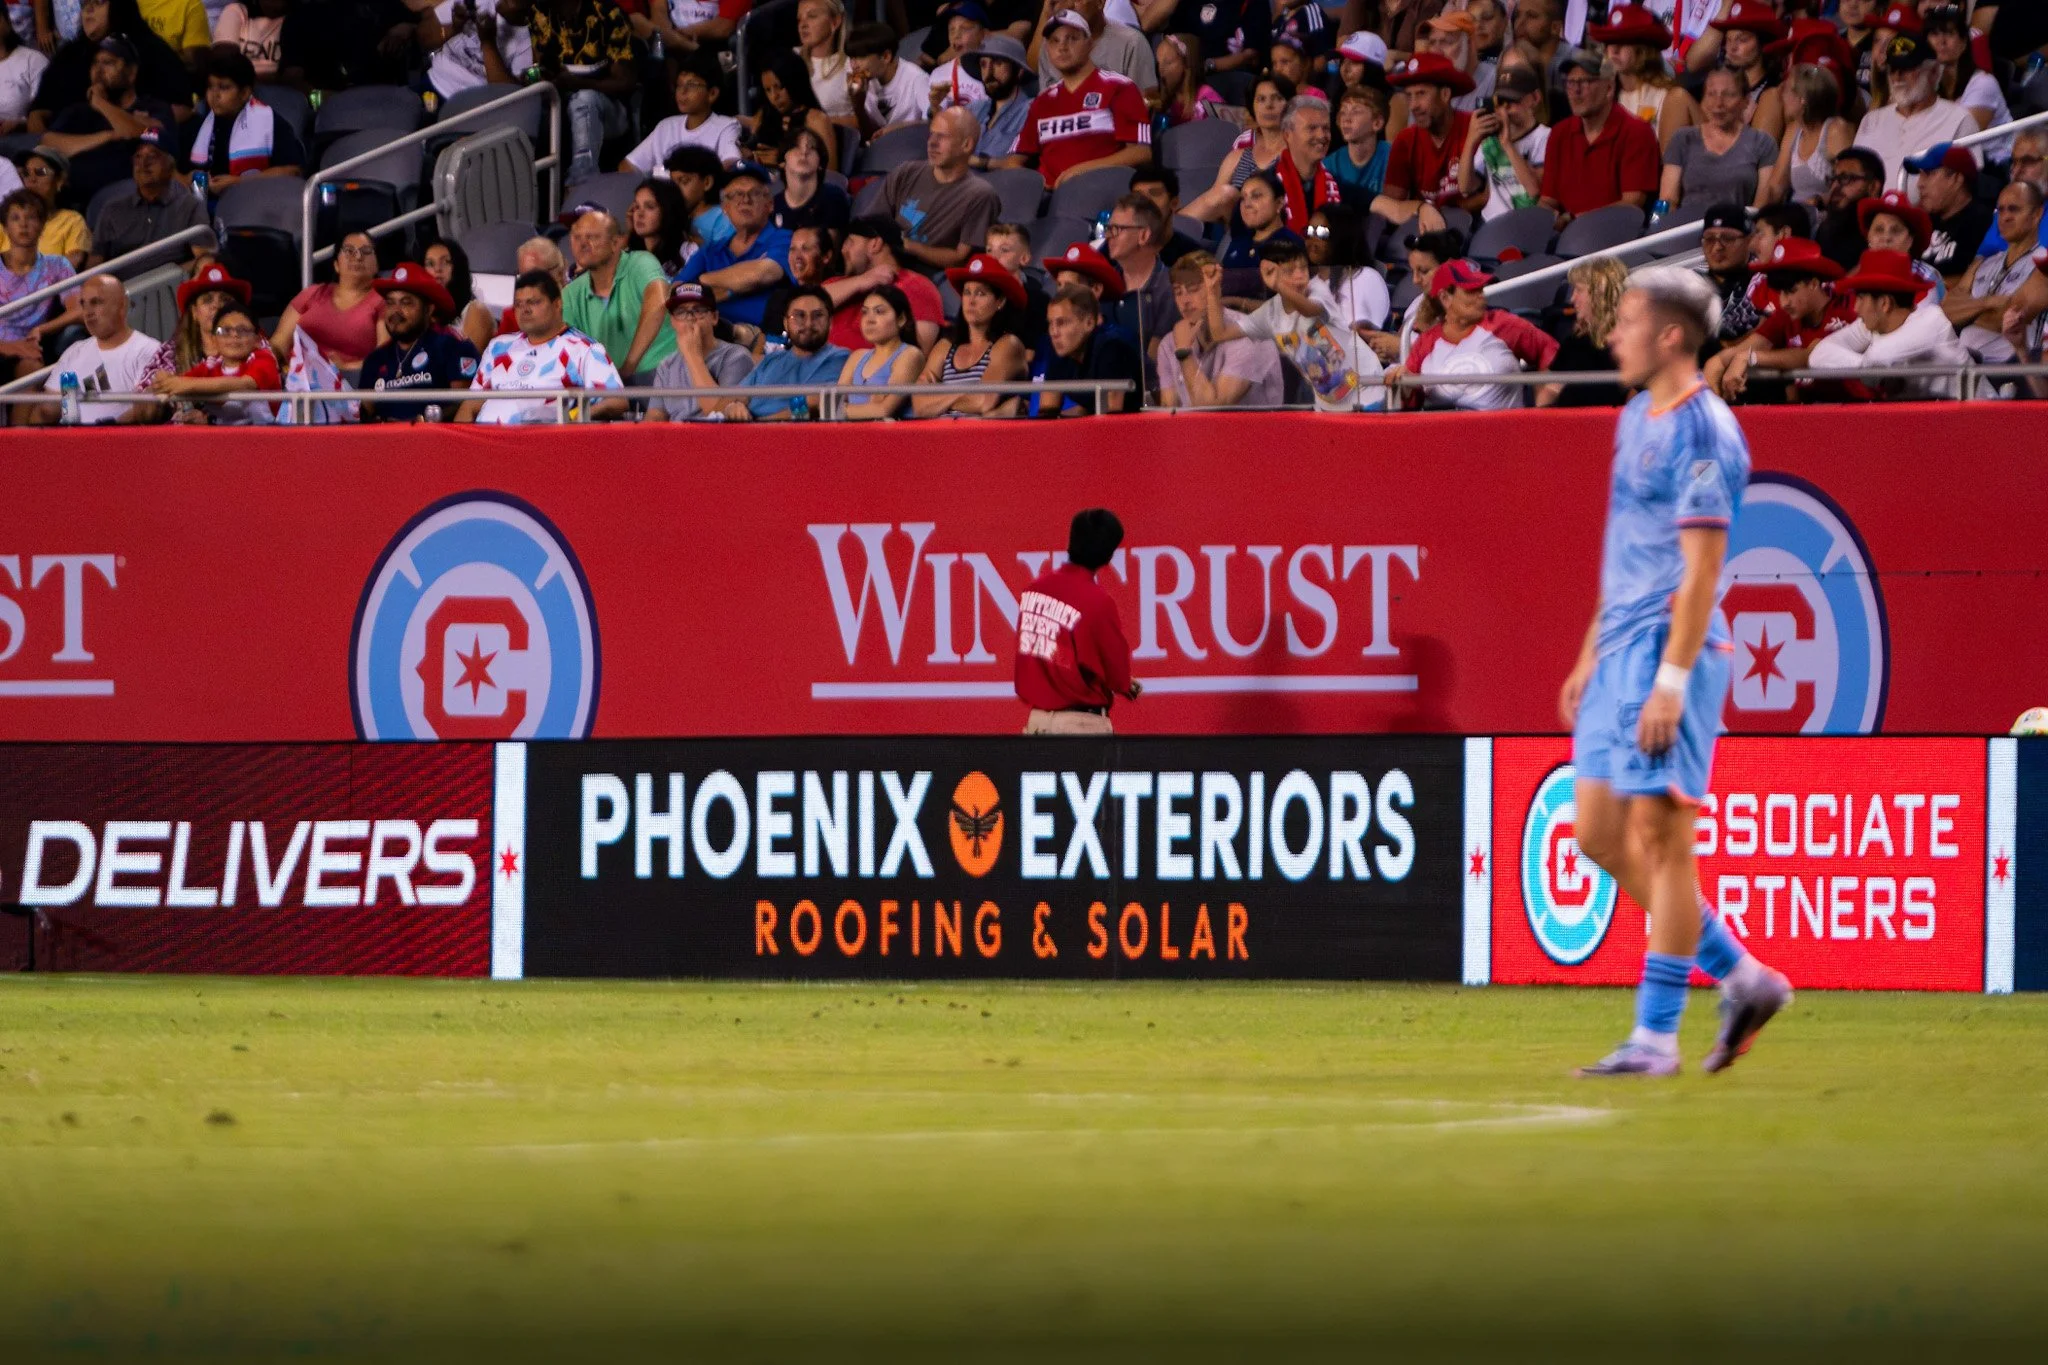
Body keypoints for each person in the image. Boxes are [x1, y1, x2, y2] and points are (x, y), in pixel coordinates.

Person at [1560, 265, 1787, 1078]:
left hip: (1670, 650)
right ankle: (1746, 976)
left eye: (1627, 321)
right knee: (1596, 834)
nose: (1612, 333)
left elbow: (1701, 573)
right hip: (1618, 646)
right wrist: (1591, 648)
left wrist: (1671, 681)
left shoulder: (1706, 432)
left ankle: (1655, 1036)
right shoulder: (1632, 416)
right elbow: (1629, 542)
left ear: (1670, 336)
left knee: (1662, 837)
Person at [1218, 236, 1383, 411]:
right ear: (1269, 273)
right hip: (1330, 404)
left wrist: (1280, 286)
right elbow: (1220, 333)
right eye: (1289, 271)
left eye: (1303, 268)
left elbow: (1309, 310)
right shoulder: (1270, 313)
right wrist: (1213, 291)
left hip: (1366, 389)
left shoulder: (1317, 289)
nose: (1299, 275)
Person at [1013, 507, 1138, 735]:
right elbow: (1117, 675)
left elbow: (1044, 651)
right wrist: (1123, 683)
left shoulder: (1033, 591)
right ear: (1108, 554)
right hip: (1079, 728)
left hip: (1037, 724)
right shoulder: (1098, 601)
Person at [1001, 7, 1150, 191]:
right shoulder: (1043, 101)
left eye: (1072, 38)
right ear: (1047, 49)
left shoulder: (1120, 87)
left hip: (1102, 192)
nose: (1062, 47)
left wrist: (1082, 171)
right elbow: (1014, 160)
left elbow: (1141, 153)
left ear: (1090, 44)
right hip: (1049, 198)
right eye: (1054, 41)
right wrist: (1035, 184)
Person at [458, 269, 627, 422]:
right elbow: (471, 405)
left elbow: (616, 401)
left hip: (547, 447)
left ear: (557, 304)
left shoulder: (584, 349)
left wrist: (572, 417)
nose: (525, 310)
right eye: (519, 304)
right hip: (486, 444)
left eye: (534, 302)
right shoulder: (499, 347)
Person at [35, 32, 179, 204]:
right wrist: (107, 136)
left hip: (131, 200)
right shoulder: (78, 111)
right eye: (95, 63)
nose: (98, 70)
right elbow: (48, 142)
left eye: (108, 62)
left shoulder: (154, 107)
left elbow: (140, 133)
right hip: (74, 199)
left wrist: (101, 104)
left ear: (132, 72)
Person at [1704, 236, 1853, 401]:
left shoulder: (1845, 309)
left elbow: (1810, 356)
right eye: (1780, 293)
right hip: (1810, 411)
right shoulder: (1786, 316)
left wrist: (1749, 358)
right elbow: (1730, 355)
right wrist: (1715, 368)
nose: (1784, 302)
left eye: (1790, 291)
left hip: (1857, 410)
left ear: (1813, 283)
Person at [1809, 247, 1972, 398]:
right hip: (1932, 420)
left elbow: (1877, 358)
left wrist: (1870, 369)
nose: (1855, 309)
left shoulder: (1930, 320)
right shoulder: (1870, 326)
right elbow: (1818, 355)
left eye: (1860, 299)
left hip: (1980, 418)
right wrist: (1864, 367)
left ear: (1884, 304)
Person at [1402, 257, 1557, 410]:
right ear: (1445, 298)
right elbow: (1409, 401)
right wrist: (1406, 389)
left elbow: (1550, 350)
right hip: (1448, 432)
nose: (1481, 296)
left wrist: (1545, 399)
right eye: (1471, 290)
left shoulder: (1504, 324)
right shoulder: (1426, 343)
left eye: (1480, 289)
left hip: (1506, 431)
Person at [23, 272, 168, 422]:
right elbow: (49, 410)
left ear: (122, 306)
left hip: (121, 442)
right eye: (83, 304)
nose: (88, 312)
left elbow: (146, 411)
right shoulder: (74, 352)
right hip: (73, 441)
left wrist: (101, 434)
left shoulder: (150, 351)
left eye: (96, 302)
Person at [1538, 48, 1660, 228]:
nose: (1576, 91)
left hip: (1617, 238)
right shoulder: (1559, 134)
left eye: (1585, 82)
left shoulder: (1636, 132)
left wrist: (1574, 221)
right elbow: (1548, 201)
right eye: (1570, 82)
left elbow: (1631, 204)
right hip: (1567, 239)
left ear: (1609, 88)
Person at [1154, 248, 1282, 408]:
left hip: (1254, 431)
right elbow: (1168, 412)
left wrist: (1184, 354)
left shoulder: (1248, 336)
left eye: (1193, 289)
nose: (1185, 300)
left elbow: (1213, 410)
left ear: (1215, 287)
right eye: (1178, 292)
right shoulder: (1168, 345)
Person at [674, 162, 794, 331]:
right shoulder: (710, 251)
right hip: (711, 336)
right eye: (737, 194)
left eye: (754, 193)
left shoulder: (784, 239)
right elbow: (675, 291)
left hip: (763, 342)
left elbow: (763, 273)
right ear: (725, 207)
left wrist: (702, 281)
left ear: (770, 204)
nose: (745, 200)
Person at [26, 0, 190, 124]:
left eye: (99, 2)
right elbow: (38, 113)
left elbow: (183, 109)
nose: (88, 10)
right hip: (72, 152)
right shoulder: (70, 55)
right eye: (85, 3)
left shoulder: (151, 51)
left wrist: (142, 130)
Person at [357, 260, 481, 422]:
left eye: (406, 303)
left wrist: (423, 422)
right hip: (385, 442)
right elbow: (364, 413)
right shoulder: (375, 359)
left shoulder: (453, 345)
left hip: (437, 440)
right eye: (390, 303)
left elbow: (465, 403)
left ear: (429, 309)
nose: (396, 311)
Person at [879, 104, 999, 271]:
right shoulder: (906, 172)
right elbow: (873, 222)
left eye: (942, 137)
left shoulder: (980, 195)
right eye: (931, 135)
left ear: (966, 145)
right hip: (885, 262)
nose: (932, 143)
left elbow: (960, 259)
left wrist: (906, 246)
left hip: (928, 275)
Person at [528, 0, 636, 185]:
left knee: (584, 99)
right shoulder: (539, 12)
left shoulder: (609, 14)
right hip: (557, 106)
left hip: (609, 111)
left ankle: (580, 181)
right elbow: (536, 62)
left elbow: (625, 83)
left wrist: (579, 83)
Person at [561, 206, 673, 381]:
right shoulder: (570, 293)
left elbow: (658, 303)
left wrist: (628, 367)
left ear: (615, 243)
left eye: (592, 237)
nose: (582, 244)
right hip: (609, 385)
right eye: (576, 237)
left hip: (665, 375)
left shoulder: (641, 262)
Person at [1850, 32, 1974, 186]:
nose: (1897, 77)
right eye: (1893, 70)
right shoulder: (1871, 120)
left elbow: (1965, 186)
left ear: (1934, 72)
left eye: (1907, 68)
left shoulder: (1959, 120)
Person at [179, 46, 302, 199]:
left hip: (255, 205)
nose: (214, 95)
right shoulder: (198, 123)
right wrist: (190, 178)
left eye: (223, 87)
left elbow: (291, 172)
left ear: (244, 93)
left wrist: (239, 182)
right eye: (210, 86)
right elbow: (177, 173)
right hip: (204, 210)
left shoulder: (269, 122)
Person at [916, 251, 1029, 417]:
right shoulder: (945, 346)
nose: (971, 301)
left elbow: (983, 401)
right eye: (967, 292)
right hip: (941, 436)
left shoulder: (1008, 344)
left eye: (981, 293)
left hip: (984, 438)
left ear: (1000, 301)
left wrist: (940, 396)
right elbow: (919, 407)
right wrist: (963, 395)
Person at [1370, 52, 1477, 225]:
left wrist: (1449, 211)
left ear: (1445, 94)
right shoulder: (1405, 140)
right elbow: (1393, 203)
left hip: (1472, 227)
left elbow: (1490, 196)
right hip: (1422, 226)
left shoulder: (1474, 128)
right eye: (1409, 96)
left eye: (1421, 94)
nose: (1413, 106)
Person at [713, 284, 847, 420]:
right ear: (785, 323)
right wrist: (732, 407)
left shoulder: (843, 359)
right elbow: (727, 402)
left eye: (817, 316)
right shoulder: (770, 361)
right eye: (799, 316)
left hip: (800, 435)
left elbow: (816, 404)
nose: (808, 324)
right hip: (750, 433)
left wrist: (766, 423)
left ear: (830, 322)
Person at [1945, 182, 2042, 364]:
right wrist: (1987, 303)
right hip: (1965, 365)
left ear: (2037, 214)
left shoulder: (2043, 264)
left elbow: (2006, 320)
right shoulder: (1983, 263)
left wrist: (1965, 311)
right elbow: (1944, 312)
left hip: (2012, 370)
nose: (2004, 217)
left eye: (2013, 209)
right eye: (2000, 210)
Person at [1659, 65, 1776, 214]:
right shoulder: (1683, 139)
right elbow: (1668, 200)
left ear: (1746, 101)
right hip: (1687, 228)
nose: (1718, 104)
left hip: (1737, 230)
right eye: (1711, 94)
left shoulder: (1762, 143)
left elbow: (1762, 207)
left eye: (1728, 95)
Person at [89, 125, 206, 265]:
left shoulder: (190, 206)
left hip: (174, 283)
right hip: (122, 285)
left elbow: (204, 260)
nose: (143, 163)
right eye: (138, 156)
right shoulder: (112, 209)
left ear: (171, 166)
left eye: (153, 156)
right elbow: (93, 267)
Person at [1181, 73, 1290, 223]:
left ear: (1290, 105)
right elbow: (1214, 201)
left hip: (1281, 227)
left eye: (1277, 98)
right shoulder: (1237, 156)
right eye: (1261, 99)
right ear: (1252, 107)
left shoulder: (1296, 154)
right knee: (1225, 193)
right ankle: (1174, 230)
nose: (1268, 106)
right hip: (1239, 230)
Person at [272, 230, 386, 372]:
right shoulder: (312, 293)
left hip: (350, 383)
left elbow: (385, 359)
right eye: (349, 251)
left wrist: (344, 368)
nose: (357, 257)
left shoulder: (384, 301)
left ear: (377, 265)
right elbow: (279, 342)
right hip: (294, 378)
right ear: (336, 264)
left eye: (366, 251)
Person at [825, 215, 942, 351]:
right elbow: (807, 306)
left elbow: (918, 352)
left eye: (850, 242)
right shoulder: (837, 283)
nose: (843, 250)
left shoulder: (916, 286)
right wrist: (860, 282)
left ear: (875, 244)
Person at [644, 280, 755, 420]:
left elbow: (718, 413)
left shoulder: (736, 357)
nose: (690, 318)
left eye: (698, 310)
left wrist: (692, 356)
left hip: (713, 438)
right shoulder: (667, 365)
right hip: (676, 438)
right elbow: (655, 418)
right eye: (681, 312)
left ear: (714, 317)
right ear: (672, 320)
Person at [154, 299, 277, 423]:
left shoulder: (264, 359)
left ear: (257, 340)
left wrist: (183, 385)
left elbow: (244, 384)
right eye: (225, 331)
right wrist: (165, 380)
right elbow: (180, 381)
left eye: (243, 330)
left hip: (266, 437)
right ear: (214, 340)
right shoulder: (211, 365)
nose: (234, 335)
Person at [1592, 4, 1695, 149]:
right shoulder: (1604, 98)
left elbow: (1669, 163)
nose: (1614, 50)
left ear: (1644, 50)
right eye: (1610, 42)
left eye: (1624, 42)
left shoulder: (1667, 98)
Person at [0, 186, 78, 376]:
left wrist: (41, 329)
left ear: (43, 224)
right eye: (15, 218)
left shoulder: (58, 265)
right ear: (5, 227)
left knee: (33, 368)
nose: (23, 224)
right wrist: (7, 347)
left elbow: (79, 310)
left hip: (30, 347)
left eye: (31, 217)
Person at [1537, 253, 1629, 407]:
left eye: (1579, 290)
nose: (1572, 299)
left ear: (1599, 294)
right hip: (1569, 424)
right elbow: (1552, 388)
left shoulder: (1632, 343)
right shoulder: (1575, 342)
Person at [622, 57, 743, 174]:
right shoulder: (666, 126)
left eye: (691, 85)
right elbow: (628, 166)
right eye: (679, 85)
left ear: (712, 93)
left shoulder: (726, 126)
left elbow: (730, 162)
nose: (682, 92)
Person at [1036, 280, 1138, 414]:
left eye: (1061, 323)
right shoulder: (1060, 350)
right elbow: (1046, 413)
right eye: (1051, 324)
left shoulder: (1111, 348)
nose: (1054, 332)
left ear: (1089, 323)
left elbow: (1112, 418)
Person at [1460, 62, 1545, 222]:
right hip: (1492, 224)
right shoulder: (1491, 140)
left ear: (1534, 98)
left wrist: (1507, 144)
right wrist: (1471, 141)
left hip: (1527, 223)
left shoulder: (1545, 137)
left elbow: (1534, 191)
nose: (1505, 110)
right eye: (1501, 103)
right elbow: (1465, 187)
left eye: (1512, 102)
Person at [1924, 4, 2009, 160]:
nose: (1941, 41)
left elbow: (1963, 138)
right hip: (1950, 161)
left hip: (1994, 166)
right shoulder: (1928, 83)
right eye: (1934, 34)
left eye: (1949, 34)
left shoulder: (1983, 83)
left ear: (1963, 43)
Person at [1767, 62, 1852, 209]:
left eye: (1787, 89)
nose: (1781, 96)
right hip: (1796, 217)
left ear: (1803, 99)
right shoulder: (1793, 130)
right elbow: (1776, 188)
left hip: (1826, 217)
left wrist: (1819, 201)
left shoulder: (1836, 130)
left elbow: (1849, 184)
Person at [833, 283, 923, 419]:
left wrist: (843, 410)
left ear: (901, 319)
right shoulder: (857, 357)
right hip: (852, 434)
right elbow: (833, 405)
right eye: (865, 312)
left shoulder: (910, 355)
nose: (869, 320)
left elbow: (884, 410)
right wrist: (869, 407)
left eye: (879, 311)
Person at [418, 0, 533, 104]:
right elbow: (423, 39)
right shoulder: (478, 2)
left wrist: (488, 43)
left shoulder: (527, 39)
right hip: (433, 83)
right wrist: (454, 28)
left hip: (472, 105)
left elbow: (510, 98)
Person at [1030, 0, 1156, 93]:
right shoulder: (1052, 46)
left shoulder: (1131, 43)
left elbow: (1146, 103)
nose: (1068, 5)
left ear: (1101, 2)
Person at [1704, 0, 1786, 143]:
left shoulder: (1772, 92)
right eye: (1728, 40)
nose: (1732, 48)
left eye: (1742, 40)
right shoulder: (1717, 88)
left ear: (1762, 42)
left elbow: (1758, 156)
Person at [747, 49, 839, 170]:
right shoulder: (764, 115)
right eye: (768, 90)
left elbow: (832, 173)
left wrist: (784, 161)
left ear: (794, 82)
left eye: (779, 87)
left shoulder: (816, 120)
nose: (774, 96)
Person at [1912, 144, 1992, 283]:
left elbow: (1977, 281)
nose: (1920, 184)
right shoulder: (1921, 222)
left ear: (1956, 179)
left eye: (1929, 174)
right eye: (1920, 175)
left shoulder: (1981, 223)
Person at [1217, 168, 1297, 300]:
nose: (1247, 204)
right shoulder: (1238, 242)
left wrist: (1237, 303)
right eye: (1243, 198)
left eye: (1256, 196)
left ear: (1279, 203)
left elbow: (1289, 305)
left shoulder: (1291, 246)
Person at [1856, 187, 1944, 304]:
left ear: (1910, 240)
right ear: (1869, 238)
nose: (1886, 238)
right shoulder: (1857, 278)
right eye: (1879, 230)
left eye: (1896, 230)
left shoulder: (1927, 279)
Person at [846, 20, 929, 139]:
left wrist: (897, 129)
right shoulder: (862, 83)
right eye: (851, 58)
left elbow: (934, 122)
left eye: (861, 57)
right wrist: (858, 104)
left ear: (885, 56)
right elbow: (869, 136)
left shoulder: (917, 79)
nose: (854, 65)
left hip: (912, 145)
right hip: (880, 151)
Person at [1270, 94, 1338, 234]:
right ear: (1287, 135)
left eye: (1326, 128)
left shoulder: (1337, 184)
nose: (1321, 136)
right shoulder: (1267, 185)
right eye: (1312, 128)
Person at [964, 32, 1033, 169]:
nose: (988, 73)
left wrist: (978, 162)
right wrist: (935, 107)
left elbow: (1021, 164)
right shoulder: (973, 109)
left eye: (998, 63)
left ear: (1018, 71)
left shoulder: (1032, 109)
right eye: (983, 64)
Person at [769, 126, 850, 238]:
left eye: (812, 147)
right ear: (782, 162)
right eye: (796, 146)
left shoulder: (833, 198)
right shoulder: (773, 205)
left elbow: (829, 251)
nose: (804, 152)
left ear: (820, 164)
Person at [1694, 203, 1760, 340]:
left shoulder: (1764, 281)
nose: (1717, 247)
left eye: (1728, 238)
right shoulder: (1690, 284)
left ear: (1750, 240)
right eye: (1710, 239)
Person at [170, 259, 250, 370]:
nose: (216, 306)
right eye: (207, 300)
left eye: (225, 300)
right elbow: (148, 386)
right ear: (195, 312)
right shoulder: (170, 353)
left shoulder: (253, 345)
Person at [1816, 145, 1885, 268]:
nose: (1835, 187)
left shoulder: (1883, 234)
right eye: (1833, 179)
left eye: (1845, 178)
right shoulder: (1825, 230)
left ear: (1873, 187)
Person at [1324, 82, 1390, 208]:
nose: (1346, 119)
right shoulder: (1329, 165)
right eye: (1343, 112)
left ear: (1377, 123)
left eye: (1356, 112)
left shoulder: (1393, 157)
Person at [19, 147, 87, 267]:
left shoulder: (72, 221)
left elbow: (70, 265)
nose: (31, 179)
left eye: (41, 172)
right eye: (26, 173)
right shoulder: (7, 222)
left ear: (60, 180)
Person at [1417, 7, 1491, 113]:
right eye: (1432, 42)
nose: (1436, 52)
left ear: (1470, 44)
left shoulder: (1493, 81)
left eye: (1446, 42)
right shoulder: (1426, 86)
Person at [923, 0, 990, 112]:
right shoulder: (938, 75)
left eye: (965, 28)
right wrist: (934, 107)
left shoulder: (992, 72)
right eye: (951, 30)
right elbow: (932, 124)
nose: (956, 35)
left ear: (983, 34)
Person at [1129, 164, 1203, 264]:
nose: (1145, 202)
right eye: (1138, 196)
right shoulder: (1116, 249)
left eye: (1154, 194)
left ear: (1174, 203)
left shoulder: (1193, 258)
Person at [493, 234, 567, 335]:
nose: (528, 284)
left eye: (536, 277)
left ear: (559, 273)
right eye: (524, 276)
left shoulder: (580, 306)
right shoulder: (512, 316)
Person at [624, 177, 696, 277]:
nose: (639, 214)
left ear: (668, 211)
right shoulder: (627, 256)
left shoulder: (688, 253)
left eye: (650, 207)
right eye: (636, 207)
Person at [664, 145, 734, 247]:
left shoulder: (723, 218)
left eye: (684, 181)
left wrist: (693, 244)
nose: (675, 189)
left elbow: (724, 257)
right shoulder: (674, 214)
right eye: (672, 182)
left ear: (707, 183)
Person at [795, 0, 852, 122]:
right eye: (799, 19)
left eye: (812, 16)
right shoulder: (791, 58)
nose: (802, 25)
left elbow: (865, 123)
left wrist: (818, 123)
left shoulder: (851, 66)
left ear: (835, 22)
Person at [1149, 31, 1220, 129]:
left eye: (1168, 63)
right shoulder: (1162, 102)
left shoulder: (1207, 99)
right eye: (1158, 63)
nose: (1160, 69)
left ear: (1186, 63)